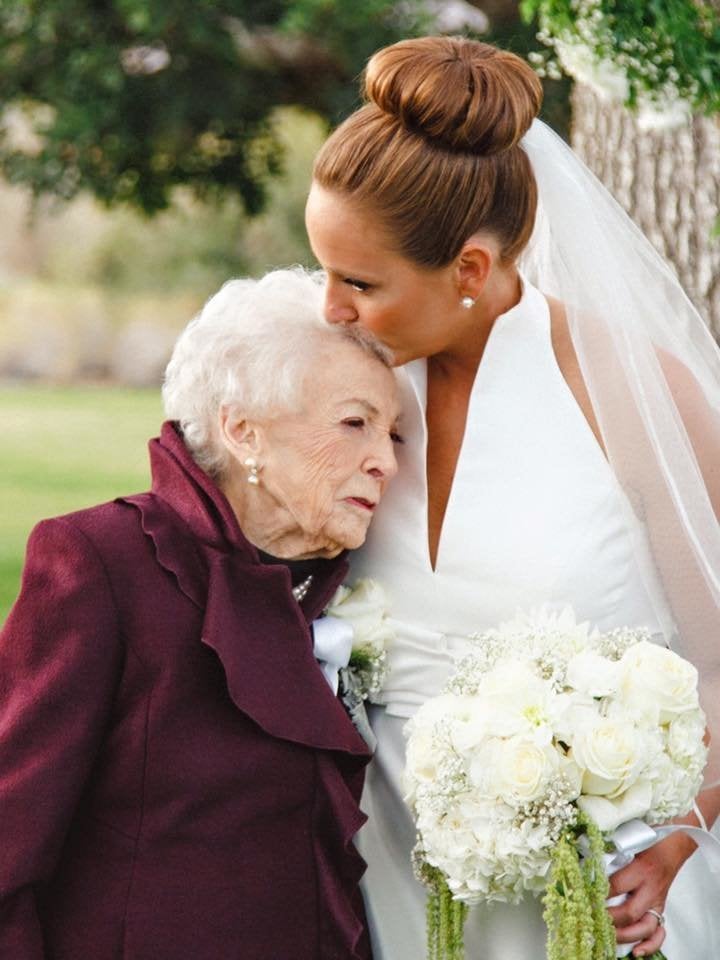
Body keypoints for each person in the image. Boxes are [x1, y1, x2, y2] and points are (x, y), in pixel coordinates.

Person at [304, 35, 720, 960]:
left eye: (359, 283)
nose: (327, 308)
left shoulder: (636, 398)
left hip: (600, 904)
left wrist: (682, 835)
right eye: (324, 270)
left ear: (468, 271)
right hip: (388, 882)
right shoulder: (345, 390)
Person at [0, 267, 402, 960]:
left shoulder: (339, 586)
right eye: (354, 423)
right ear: (243, 430)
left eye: (393, 433)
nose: (385, 463)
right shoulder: (101, 563)